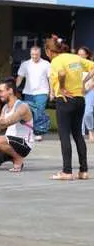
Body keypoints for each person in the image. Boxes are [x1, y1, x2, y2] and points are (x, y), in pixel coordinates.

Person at [45, 35, 94, 180]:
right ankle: (83, 171)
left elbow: (61, 73)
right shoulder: (75, 58)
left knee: (64, 135)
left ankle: (67, 171)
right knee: (78, 134)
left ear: (49, 51)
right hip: (80, 99)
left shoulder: (56, 61)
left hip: (65, 100)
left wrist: (62, 87)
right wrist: (84, 81)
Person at [16, 46, 51, 141]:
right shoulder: (25, 64)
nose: (34, 56)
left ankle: (38, 132)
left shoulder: (46, 64)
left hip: (42, 91)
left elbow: (50, 79)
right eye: (33, 54)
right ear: (30, 54)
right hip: (28, 92)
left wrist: (52, 92)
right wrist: (14, 87)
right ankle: (29, 131)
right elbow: (20, 77)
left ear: (40, 54)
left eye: (36, 54)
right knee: (29, 112)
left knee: (39, 111)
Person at [77, 46, 94, 143]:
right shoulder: (75, 65)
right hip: (77, 92)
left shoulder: (91, 65)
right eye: (78, 55)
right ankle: (81, 134)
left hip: (90, 91)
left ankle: (91, 131)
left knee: (88, 112)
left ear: (87, 55)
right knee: (79, 113)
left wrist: (87, 89)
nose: (80, 56)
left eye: (82, 55)